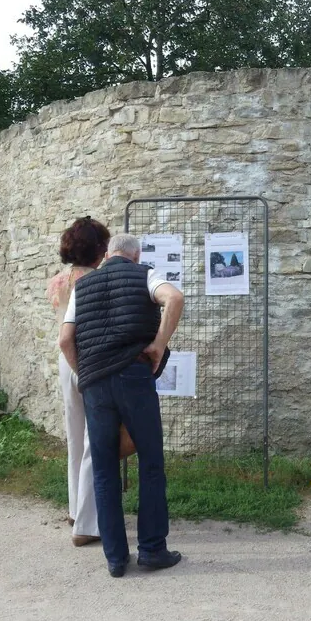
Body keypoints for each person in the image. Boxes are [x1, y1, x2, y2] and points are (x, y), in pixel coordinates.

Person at [59, 233, 184, 578]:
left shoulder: (82, 286)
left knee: (103, 468)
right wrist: (159, 343)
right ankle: (152, 550)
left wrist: (84, 373)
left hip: (96, 383)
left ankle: (115, 558)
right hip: (133, 376)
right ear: (135, 255)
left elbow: (65, 339)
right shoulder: (145, 274)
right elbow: (174, 298)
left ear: (108, 255)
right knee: (151, 463)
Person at [46, 216, 110, 547]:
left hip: (64, 359)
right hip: (91, 358)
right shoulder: (98, 281)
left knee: (74, 436)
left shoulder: (57, 281)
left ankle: (75, 508)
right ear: (97, 248)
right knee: (94, 439)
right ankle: (86, 523)